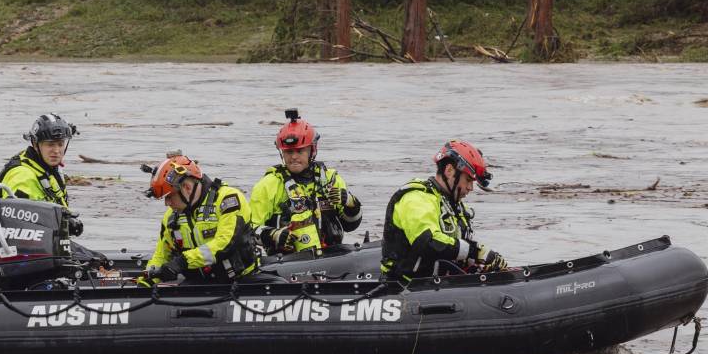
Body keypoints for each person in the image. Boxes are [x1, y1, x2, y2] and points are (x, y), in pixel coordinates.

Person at [381, 140, 507, 282]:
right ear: (449, 171)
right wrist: (475, 252)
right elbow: (429, 243)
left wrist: (480, 263)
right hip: (405, 285)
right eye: (468, 180)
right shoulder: (416, 199)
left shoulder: (455, 205)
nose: (471, 188)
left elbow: (456, 248)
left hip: (440, 283)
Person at [249, 109, 363, 255]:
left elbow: (351, 225)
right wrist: (273, 235)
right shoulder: (268, 185)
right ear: (282, 153)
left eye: (300, 151)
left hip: (333, 258)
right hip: (288, 262)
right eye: (289, 152)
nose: (294, 157)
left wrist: (350, 203)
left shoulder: (330, 179)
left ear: (312, 150)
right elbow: (249, 229)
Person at [139, 153, 262, 285]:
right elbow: (161, 255)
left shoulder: (228, 199)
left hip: (242, 280)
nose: (167, 203)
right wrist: (146, 282)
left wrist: (182, 262)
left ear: (187, 187)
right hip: (198, 285)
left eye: (169, 197)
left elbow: (225, 243)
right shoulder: (170, 217)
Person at [0, 113, 93, 258]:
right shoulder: (22, 175)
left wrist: (66, 224)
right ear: (36, 145)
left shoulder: (47, 169)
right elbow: (20, 227)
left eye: (60, 144)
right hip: (25, 254)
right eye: (50, 144)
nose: (56, 151)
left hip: (47, 246)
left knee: (99, 261)